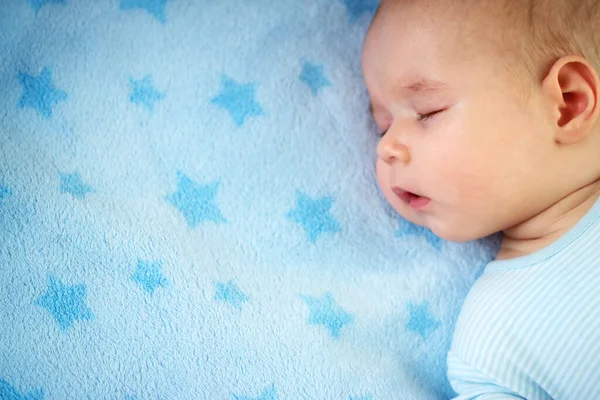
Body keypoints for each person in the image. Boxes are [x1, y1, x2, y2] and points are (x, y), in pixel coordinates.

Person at [361, 0, 600, 398]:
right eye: (382, 126)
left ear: (567, 104)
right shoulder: (495, 340)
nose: (387, 148)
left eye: (427, 111)